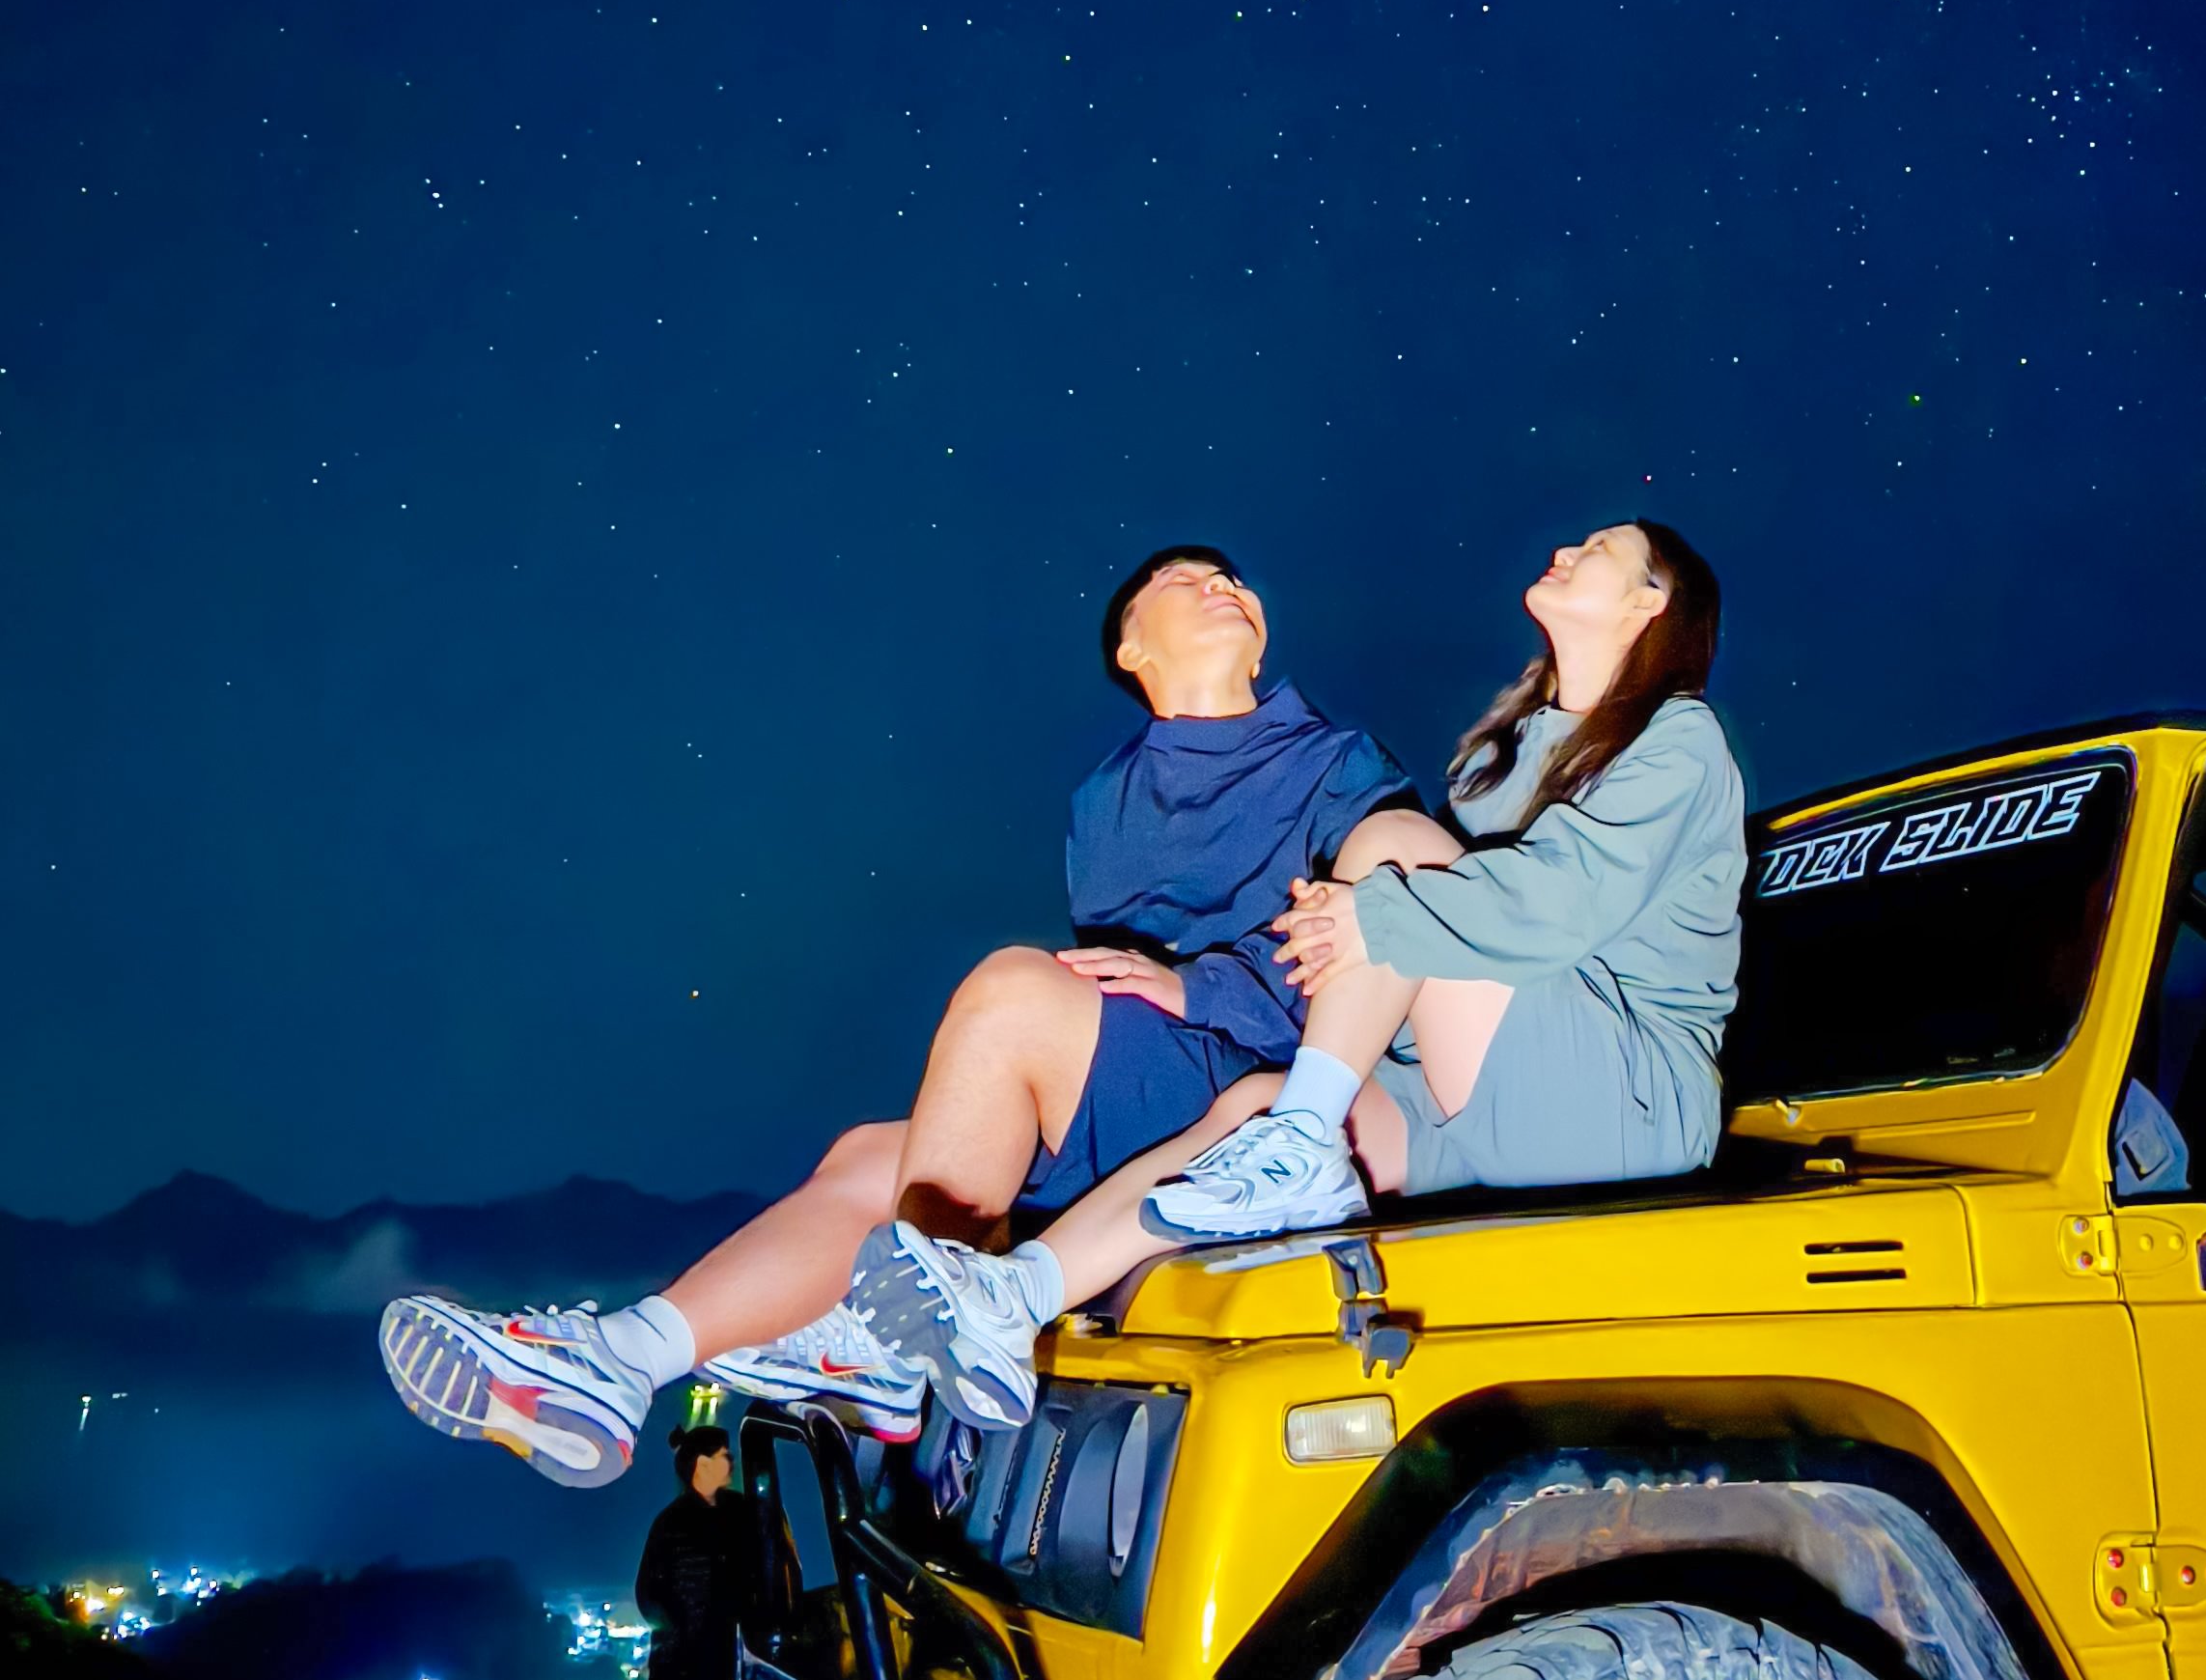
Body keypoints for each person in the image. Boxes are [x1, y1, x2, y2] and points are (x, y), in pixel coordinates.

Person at [377, 546, 1460, 1482]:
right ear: (1132, 649)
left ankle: (890, 1348)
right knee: (867, 1155)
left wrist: (1198, 988)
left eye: (1231, 582)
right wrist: (1146, 994)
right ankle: (621, 1360)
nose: (1221, 585)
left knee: (1008, 992)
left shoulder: (1333, 759)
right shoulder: (1104, 806)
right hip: (1164, 1080)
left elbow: (1390, 929)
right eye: (1184, 582)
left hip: (1275, 1062)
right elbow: (1120, 973)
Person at [846, 521, 1743, 1424]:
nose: (1564, 550)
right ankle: (1016, 1299)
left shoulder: (1680, 740)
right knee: (1255, 1108)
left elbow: (1562, 904)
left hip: (1621, 1098)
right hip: (1468, 1107)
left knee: (1389, 849)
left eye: (1598, 550)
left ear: (1648, 602)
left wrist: (1366, 912)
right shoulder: (1492, 761)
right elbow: (1429, 964)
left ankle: (1307, 1137)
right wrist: (1343, 935)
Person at [633, 1425, 771, 1680]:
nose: (731, 1462)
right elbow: (648, 1594)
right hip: (685, 1662)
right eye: (724, 1455)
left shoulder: (741, 1511)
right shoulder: (671, 1524)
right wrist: (681, 1632)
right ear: (703, 1464)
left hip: (733, 1653)